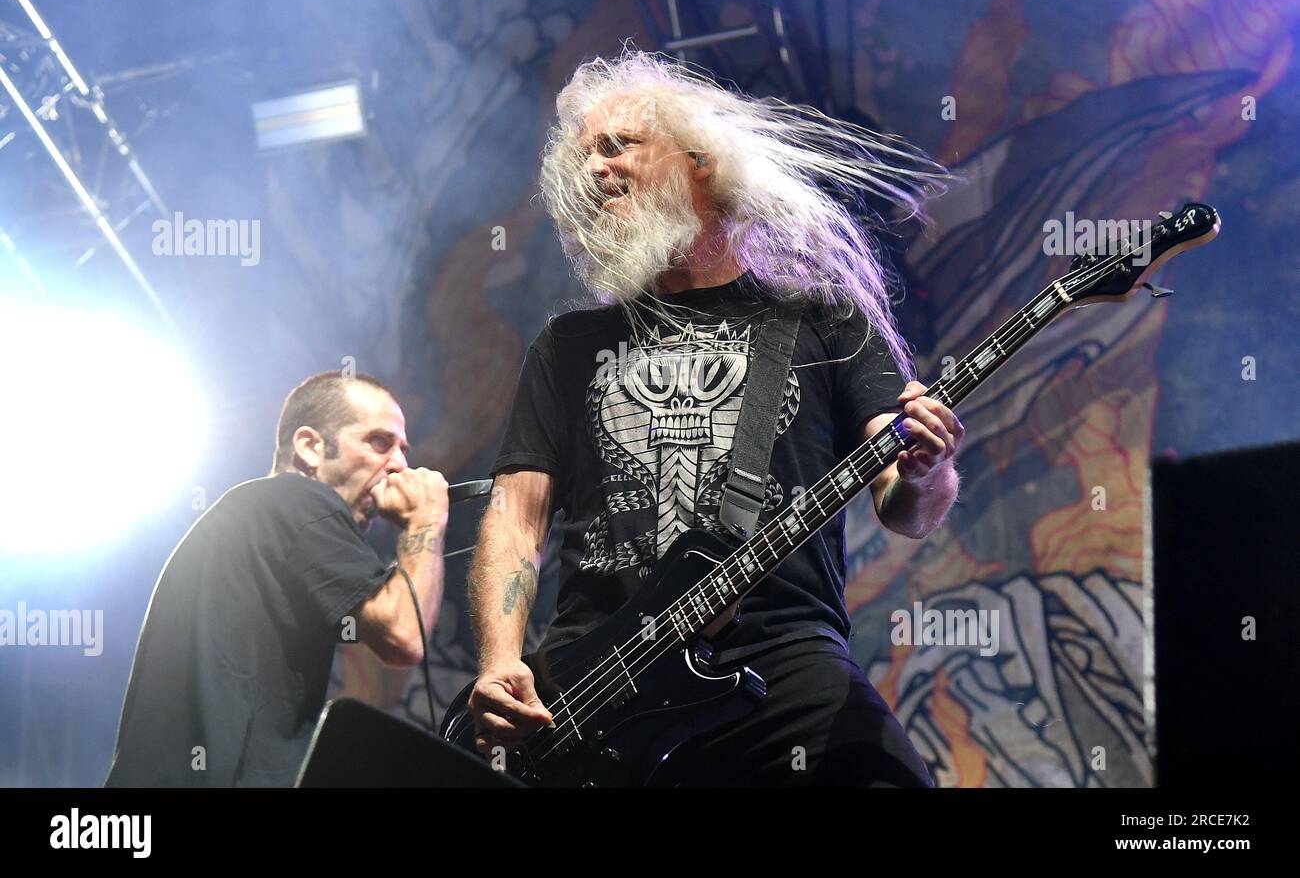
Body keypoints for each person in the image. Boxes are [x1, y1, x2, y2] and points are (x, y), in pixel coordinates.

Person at [465, 50, 965, 787]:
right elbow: (515, 517)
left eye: (617, 145)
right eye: (583, 160)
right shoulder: (568, 346)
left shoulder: (823, 320)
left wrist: (928, 469)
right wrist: (502, 659)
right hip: (595, 686)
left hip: (782, 656)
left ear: (701, 159)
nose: (594, 171)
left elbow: (907, 509)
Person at [105, 371, 448, 787]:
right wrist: (425, 521)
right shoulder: (298, 500)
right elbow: (404, 634)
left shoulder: (260, 514)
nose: (399, 465)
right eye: (379, 442)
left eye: (403, 449)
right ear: (310, 447)